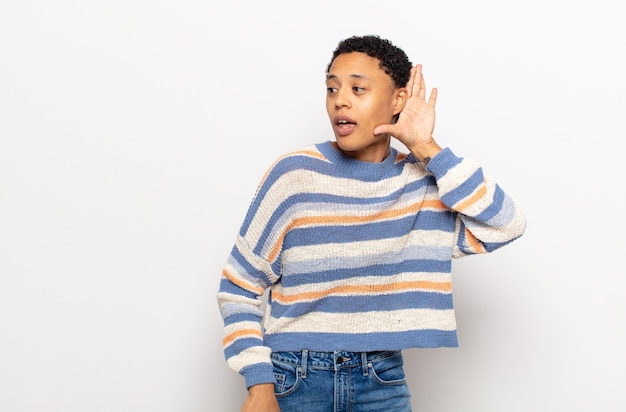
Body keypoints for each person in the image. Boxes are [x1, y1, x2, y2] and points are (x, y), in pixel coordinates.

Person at [217, 34, 526, 412]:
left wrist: (427, 147)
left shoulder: (421, 185)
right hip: (294, 379)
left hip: (382, 379)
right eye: (332, 88)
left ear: (397, 100)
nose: (340, 100)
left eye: (357, 88)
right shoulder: (295, 175)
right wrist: (259, 384)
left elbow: (507, 223)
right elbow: (238, 287)